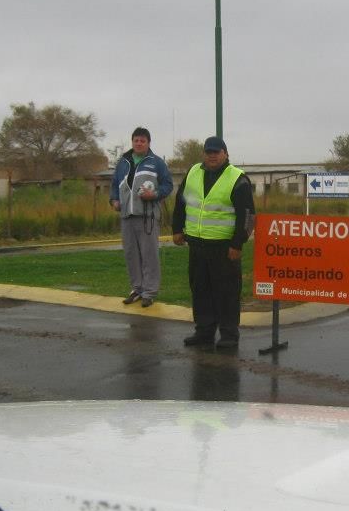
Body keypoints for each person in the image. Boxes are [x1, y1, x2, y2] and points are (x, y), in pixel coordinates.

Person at [172, 136, 255, 349]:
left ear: (225, 154)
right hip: (197, 244)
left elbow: (247, 216)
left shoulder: (237, 178)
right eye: (208, 152)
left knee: (226, 292)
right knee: (200, 290)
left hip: (224, 248)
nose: (212, 155)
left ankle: (229, 334)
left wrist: (238, 244)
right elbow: (181, 203)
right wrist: (177, 229)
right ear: (204, 154)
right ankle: (204, 332)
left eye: (216, 152)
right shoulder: (193, 173)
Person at [109, 127, 173, 307]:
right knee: (131, 254)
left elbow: (168, 185)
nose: (139, 143)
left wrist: (155, 195)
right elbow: (114, 184)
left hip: (147, 217)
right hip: (126, 216)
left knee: (149, 254)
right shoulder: (123, 162)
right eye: (136, 140)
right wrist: (113, 199)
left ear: (148, 143)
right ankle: (136, 289)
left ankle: (149, 292)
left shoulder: (157, 162)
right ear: (132, 142)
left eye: (142, 141)